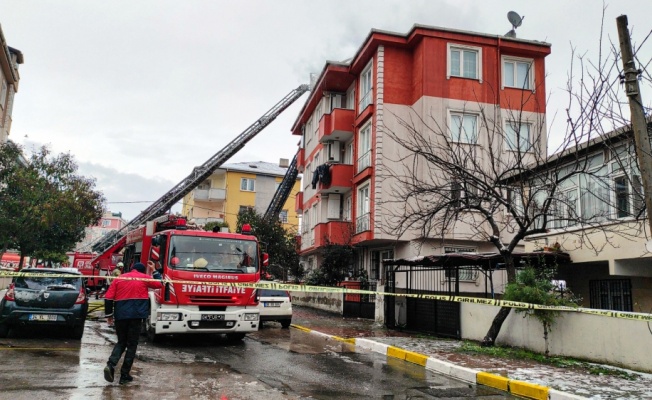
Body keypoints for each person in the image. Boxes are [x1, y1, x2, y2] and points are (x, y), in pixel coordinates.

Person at [103, 261, 162, 385]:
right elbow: (160, 284)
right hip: (136, 316)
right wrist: (154, 271)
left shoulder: (119, 278)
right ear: (141, 271)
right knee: (132, 344)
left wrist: (109, 315)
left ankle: (110, 365)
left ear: (131, 269)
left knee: (121, 342)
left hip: (120, 316)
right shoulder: (144, 278)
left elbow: (108, 297)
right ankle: (124, 375)